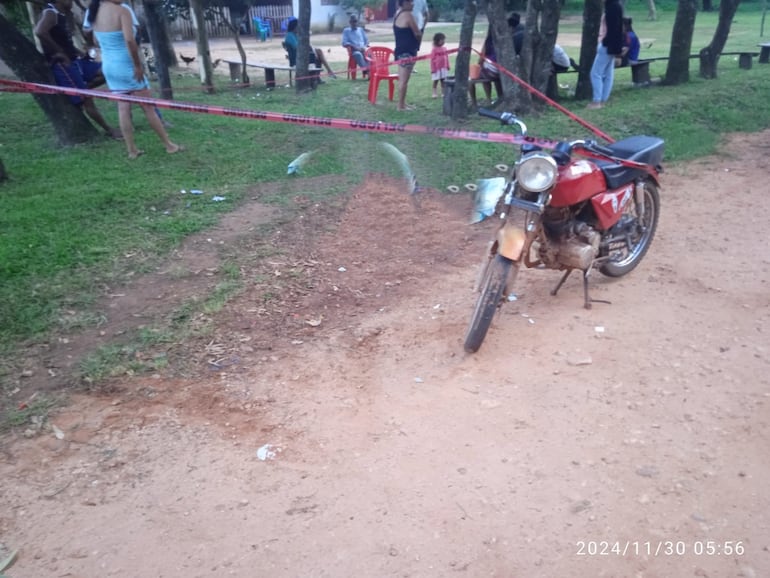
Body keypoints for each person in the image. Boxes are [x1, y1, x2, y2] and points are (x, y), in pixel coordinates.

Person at [88, 0, 181, 158]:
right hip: (126, 65)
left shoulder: (93, 11)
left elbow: (95, 41)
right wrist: (137, 65)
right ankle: (169, 145)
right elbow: (130, 40)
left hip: (109, 66)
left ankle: (132, 150)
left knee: (123, 108)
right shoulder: (122, 11)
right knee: (148, 107)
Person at [34, 0, 121, 139]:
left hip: (75, 60)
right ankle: (109, 130)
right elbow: (40, 32)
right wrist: (60, 52)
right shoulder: (50, 13)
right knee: (88, 101)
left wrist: (79, 52)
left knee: (107, 71)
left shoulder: (62, 15)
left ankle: (82, 89)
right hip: (63, 65)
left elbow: (63, 41)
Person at [588, 0, 624, 109]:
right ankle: (603, 100)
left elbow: (614, 30)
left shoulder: (613, 7)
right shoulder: (614, 6)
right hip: (610, 45)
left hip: (607, 45)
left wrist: (611, 48)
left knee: (595, 73)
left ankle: (597, 101)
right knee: (608, 73)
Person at [393, 0, 422, 111]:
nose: (413, 4)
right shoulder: (408, 15)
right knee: (404, 81)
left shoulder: (397, 13)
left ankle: (402, 103)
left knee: (402, 80)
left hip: (400, 50)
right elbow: (417, 33)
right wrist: (418, 40)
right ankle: (400, 106)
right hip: (408, 52)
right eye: (410, 2)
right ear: (404, 3)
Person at [430, 32, 450, 98]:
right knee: (435, 81)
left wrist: (448, 65)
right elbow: (432, 60)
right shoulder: (434, 49)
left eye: (444, 40)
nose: (443, 41)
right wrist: (433, 69)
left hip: (443, 68)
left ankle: (443, 93)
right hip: (437, 69)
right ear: (437, 40)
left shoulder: (444, 48)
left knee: (443, 81)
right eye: (442, 40)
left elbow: (447, 57)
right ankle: (434, 93)